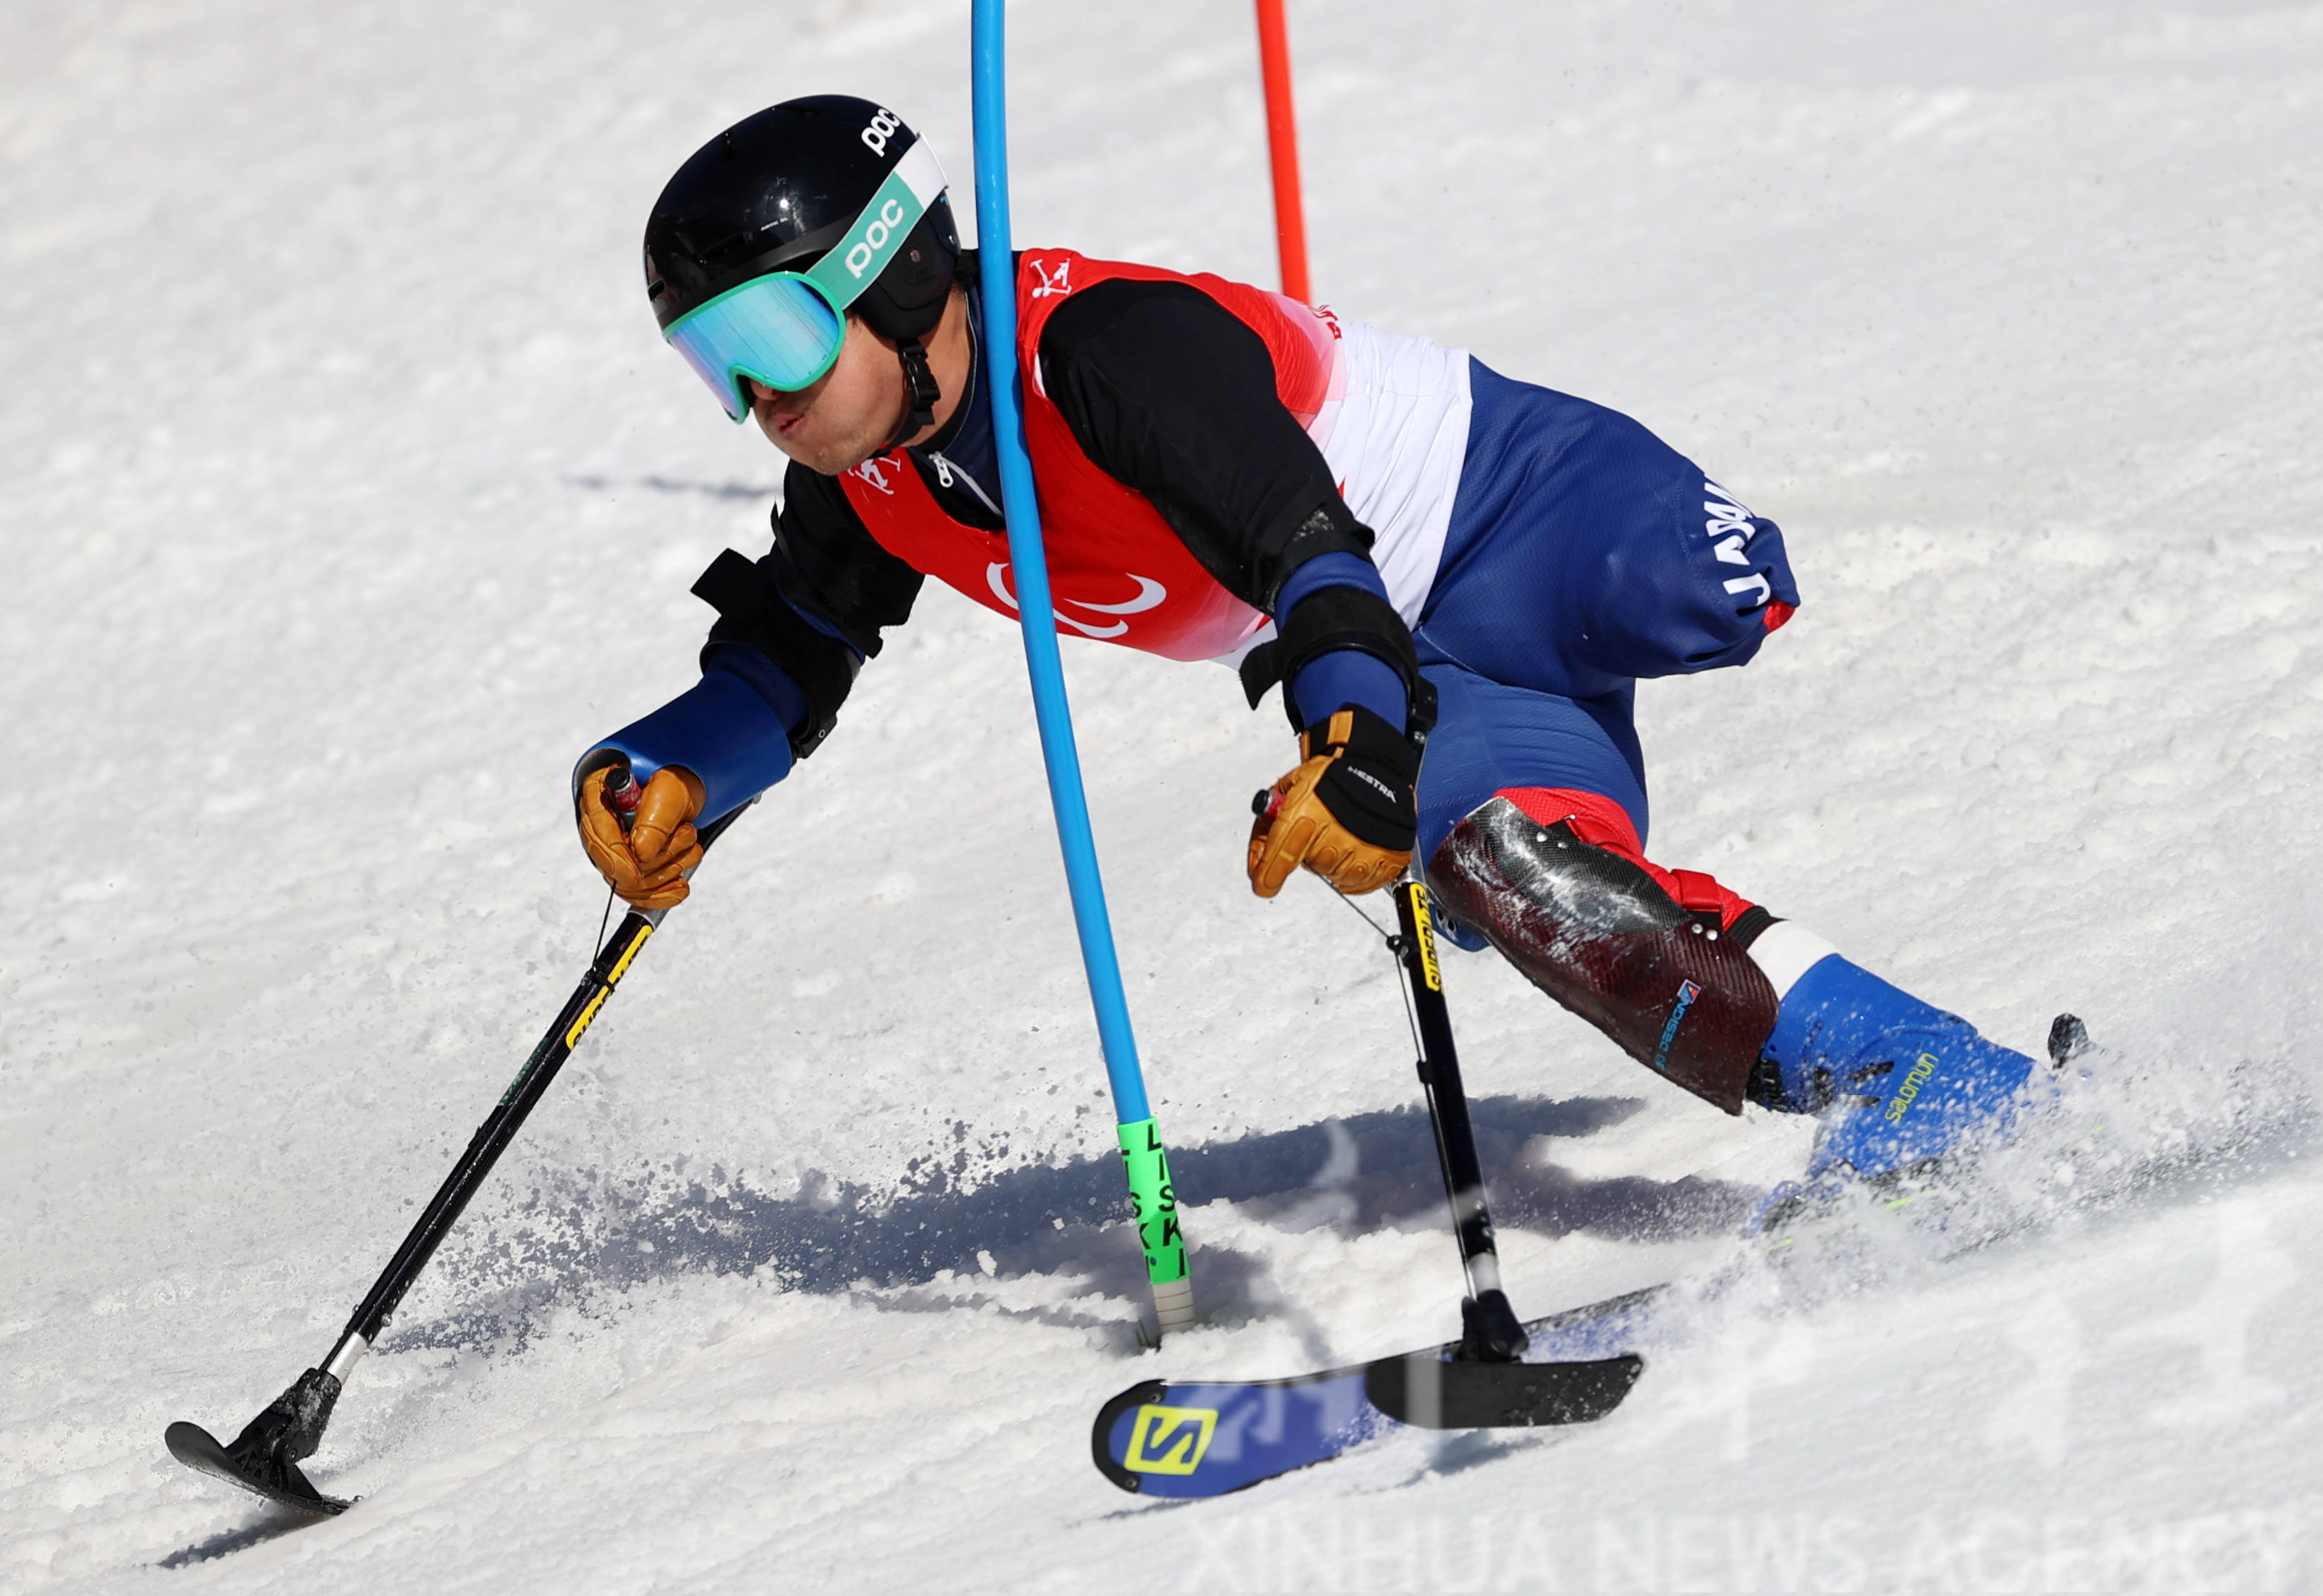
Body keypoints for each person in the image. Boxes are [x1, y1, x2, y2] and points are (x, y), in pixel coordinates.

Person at [577, 95, 2049, 1221]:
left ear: (892, 276)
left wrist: (1355, 737)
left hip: (1528, 522)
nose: (758, 400)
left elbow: (1308, 558)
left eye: (773, 334)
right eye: (717, 365)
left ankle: (1941, 1094)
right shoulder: (869, 472)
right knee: (1511, 868)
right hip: (1419, 650)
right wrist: (673, 767)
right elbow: (789, 651)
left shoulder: (1101, 351)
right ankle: (1919, 1088)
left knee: (1456, 828)